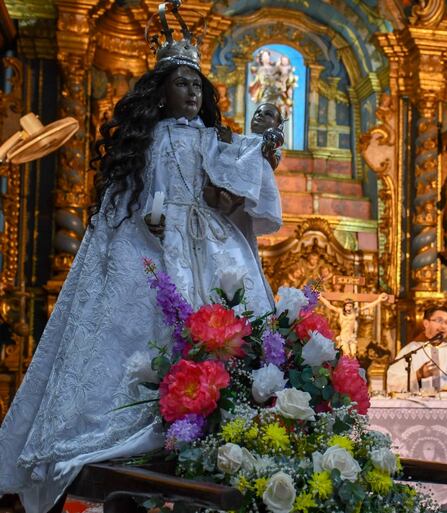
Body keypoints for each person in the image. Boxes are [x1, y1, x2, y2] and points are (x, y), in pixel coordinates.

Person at [0, 12, 282, 513]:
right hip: (152, 248)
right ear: (161, 91)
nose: (192, 93)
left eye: (197, 84)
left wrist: (261, 145)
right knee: (143, 334)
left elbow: (231, 189)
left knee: (232, 327)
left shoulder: (214, 139)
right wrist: (143, 222)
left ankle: (228, 414)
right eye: (181, 83)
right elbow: (126, 199)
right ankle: (155, 416)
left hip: (210, 244)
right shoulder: (146, 141)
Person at [319, 293, 388, 356]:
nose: (349, 308)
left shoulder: (355, 311)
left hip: (351, 337)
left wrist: (379, 300)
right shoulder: (340, 311)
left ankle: (353, 367)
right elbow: (329, 306)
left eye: (350, 306)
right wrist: (321, 298)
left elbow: (368, 306)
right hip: (343, 337)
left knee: (354, 353)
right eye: (347, 306)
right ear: (344, 306)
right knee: (347, 353)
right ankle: (346, 367)